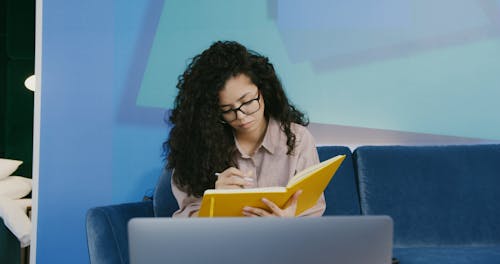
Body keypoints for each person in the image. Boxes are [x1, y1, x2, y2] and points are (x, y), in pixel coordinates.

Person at [164, 41, 325, 217]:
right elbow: (184, 225)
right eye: (227, 110)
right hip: (224, 243)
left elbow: (314, 210)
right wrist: (214, 203)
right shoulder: (196, 148)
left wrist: (287, 223)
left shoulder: (298, 139)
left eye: (247, 102)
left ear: (263, 90)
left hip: (285, 242)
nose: (241, 116)